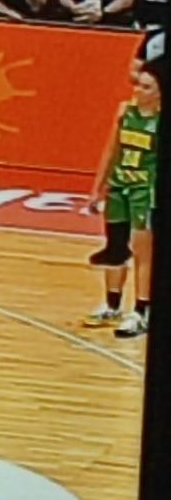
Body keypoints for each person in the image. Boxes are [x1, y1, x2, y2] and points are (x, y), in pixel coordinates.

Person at [84, 57, 161, 339]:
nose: (137, 90)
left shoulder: (160, 120)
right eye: (138, 85)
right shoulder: (124, 111)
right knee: (115, 246)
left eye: (146, 87)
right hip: (120, 186)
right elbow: (110, 151)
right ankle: (111, 305)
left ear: (160, 93)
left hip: (145, 190)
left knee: (142, 251)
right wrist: (98, 188)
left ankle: (141, 311)